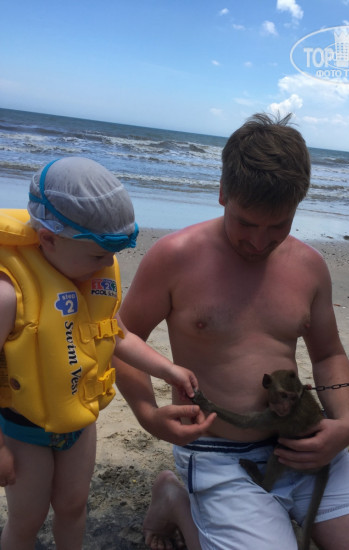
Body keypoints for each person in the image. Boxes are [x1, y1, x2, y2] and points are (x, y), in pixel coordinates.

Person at [115, 114, 349, 550]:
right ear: (223, 193)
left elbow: (328, 354)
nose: (259, 241)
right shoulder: (174, 257)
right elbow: (121, 339)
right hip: (217, 451)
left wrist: (345, 424)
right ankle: (177, 501)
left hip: (305, 441)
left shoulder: (309, 266)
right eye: (246, 223)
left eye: (278, 225)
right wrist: (147, 413)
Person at [0, 157, 214, 550]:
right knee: (27, 518)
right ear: (49, 238)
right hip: (23, 430)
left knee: (73, 506)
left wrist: (167, 369)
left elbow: (117, 334)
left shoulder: (92, 275)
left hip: (80, 421)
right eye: (97, 256)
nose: (106, 266)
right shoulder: (8, 293)